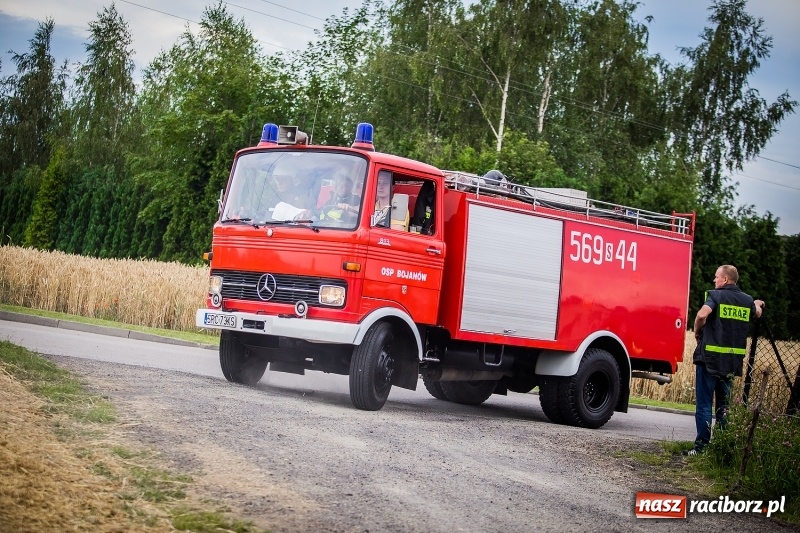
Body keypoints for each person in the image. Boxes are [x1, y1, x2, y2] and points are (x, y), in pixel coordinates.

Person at [685, 265, 765, 456]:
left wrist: (697, 333)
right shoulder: (746, 301)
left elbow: (702, 315)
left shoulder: (716, 296)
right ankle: (720, 449)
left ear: (725, 280)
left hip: (710, 361)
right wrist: (758, 303)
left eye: (716, 277)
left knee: (704, 405)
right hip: (731, 363)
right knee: (724, 406)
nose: (715, 281)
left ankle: (701, 449)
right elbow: (757, 312)